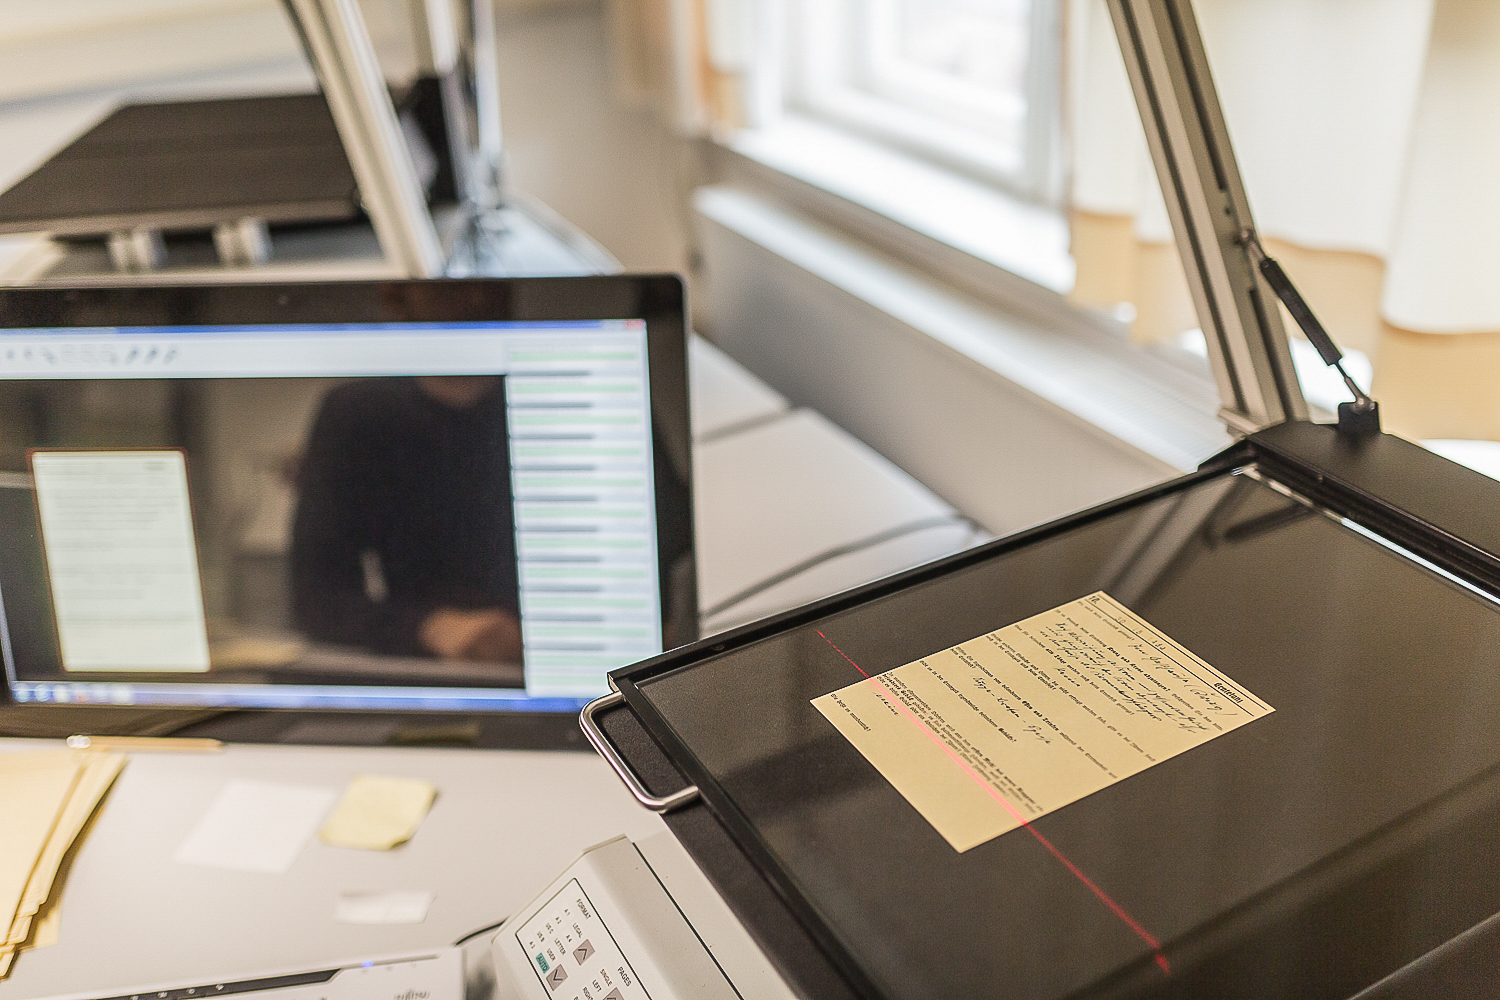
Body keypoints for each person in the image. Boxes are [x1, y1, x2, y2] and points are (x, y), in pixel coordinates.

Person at [290, 375, 522, 666]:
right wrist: (430, 627)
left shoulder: (564, 394)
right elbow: (317, 599)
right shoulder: (360, 412)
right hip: (424, 670)